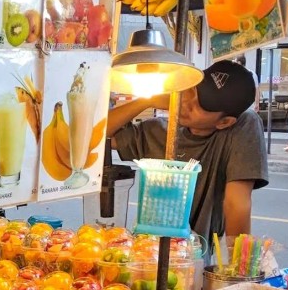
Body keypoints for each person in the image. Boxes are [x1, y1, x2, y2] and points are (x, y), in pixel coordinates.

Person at [106, 60, 268, 248]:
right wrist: (146, 101)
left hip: (194, 256)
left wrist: (237, 269)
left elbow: (237, 204)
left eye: (200, 106)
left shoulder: (241, 127)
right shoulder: (157, 131)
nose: (186, 103)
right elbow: (96, 133)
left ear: (224, 122)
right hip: (147, 251)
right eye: (191, 91)